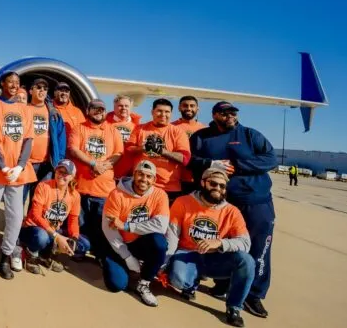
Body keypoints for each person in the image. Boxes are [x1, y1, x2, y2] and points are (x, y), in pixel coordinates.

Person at [188, 101, 278, 319]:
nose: (230, 116)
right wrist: (211, 163)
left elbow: (271, 159)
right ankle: (223, 282)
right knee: (221, 243)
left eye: (233, 113)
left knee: (259, 247)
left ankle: (253, 294)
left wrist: (237, 165)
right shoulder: (201, 137)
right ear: (215, 115)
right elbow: (192, 161)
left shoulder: (250, 135)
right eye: (225, 113)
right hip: (222, 203)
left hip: (256, 201)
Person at [165, 168, 255, 327]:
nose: (218, 188)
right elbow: (172, 236)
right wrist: (163, 264)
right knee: (177, 280)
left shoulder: (232, 211)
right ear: (203, 183)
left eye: (222, 186)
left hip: (216, 258)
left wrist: (220, 243)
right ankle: (192, 283)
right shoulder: (183, 202)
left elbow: (245, 243)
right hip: (188, 254)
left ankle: (234, 307)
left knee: (246, 261)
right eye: (213, 183)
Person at [0, 71, 36, 280]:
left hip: (17, 174)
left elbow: (28, 139)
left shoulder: (25, 110)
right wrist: (3, 167)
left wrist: (19, 166)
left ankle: (4, 258)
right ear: (2, 84)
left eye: (17, 83)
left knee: (15, 217)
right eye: (10, 82)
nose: (13, 85)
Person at [101, 160, 169, 307]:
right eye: (140, 174)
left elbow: (161, 226)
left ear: (154, 179)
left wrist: (127, 226)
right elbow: (109, 230)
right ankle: (119, 265)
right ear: (134, 174)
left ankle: (144, 283)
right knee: (116, 285)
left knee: (160, 243)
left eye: (149, 176)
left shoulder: (160, 195)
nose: (144, 179)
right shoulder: (116, 194)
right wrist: (127, 257)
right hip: (119, 243)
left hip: (140, 242)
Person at [67, 98, 123, 260]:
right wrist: (93, 163)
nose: (99, 112)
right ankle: (79, 251)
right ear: (88, 111)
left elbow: (118, 153)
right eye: (95, 109)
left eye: (102, 110)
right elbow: (74, 149)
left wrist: (102, 167)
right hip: (80, 187)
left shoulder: (113, 131)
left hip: (104, 190)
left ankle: (99, 254)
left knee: (101, 225)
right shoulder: (79, 128)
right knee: (80, 223)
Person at [20, 159, 90, 274]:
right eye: (59, 171)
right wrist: (57, 236)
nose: (61, 175)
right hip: (34, 229)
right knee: (42, 237)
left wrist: (73, 238)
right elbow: (36, 215)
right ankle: (31, 254)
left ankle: (46, 254)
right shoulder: (44, 186)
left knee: (83, 244)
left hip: (54, 231)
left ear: (72, 177)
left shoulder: (75, 195)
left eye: (65, 173)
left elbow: (73, 220)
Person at [126, 98, 190, 204]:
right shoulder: (140, 129)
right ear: (152, 112)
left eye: (167, 112)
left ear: (171, 113)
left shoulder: (178, 132)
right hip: (141, 185)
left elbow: (185, 159)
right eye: (159, 111)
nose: (163, 114)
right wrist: (143, 148)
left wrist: (161, 151)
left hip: (168, 187)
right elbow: (128, 149)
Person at [23, 77, 67, 206]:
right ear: (31, 91)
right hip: (26, 163)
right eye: (38, 87)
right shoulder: (24, 109)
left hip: (46, 164)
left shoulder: (53, 113)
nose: (42, 90)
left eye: (45, 88)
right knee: (19, 199)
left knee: (38, 201)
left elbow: (61, 138)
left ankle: (31, 219)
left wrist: (58, 160)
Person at [172, 95, 207, 194]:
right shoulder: (171, 127)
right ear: (179, 108)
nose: (188, 108)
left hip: (198, 178)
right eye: (185, 105)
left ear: (197, 109)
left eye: (192, 106)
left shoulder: (205, 129)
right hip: (175, 178)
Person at [107, 95, 142, 179]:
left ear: (131, 108)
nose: (123, 108)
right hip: (108, 169)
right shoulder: (104, 123)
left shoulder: (138, 126)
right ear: (114, 107)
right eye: (120, 106)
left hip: (129, 173)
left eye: (126, 106)